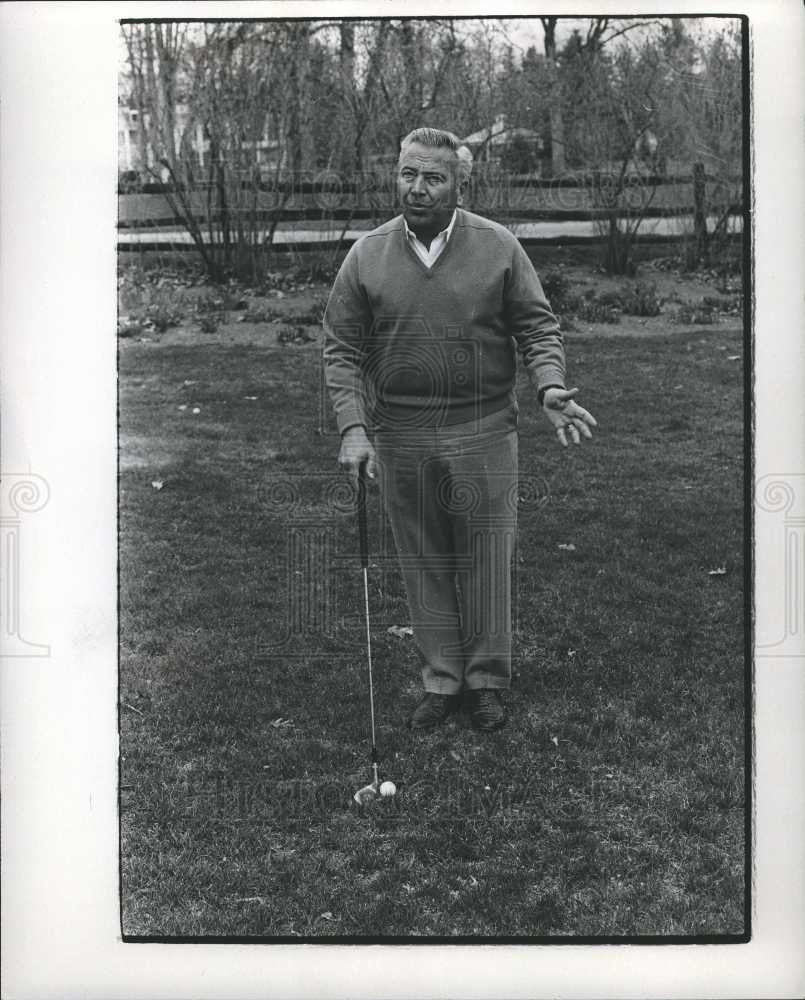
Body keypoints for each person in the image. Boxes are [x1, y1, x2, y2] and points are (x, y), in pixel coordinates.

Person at [323, 127, 596, 732]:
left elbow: (537, 326)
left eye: (433, 178)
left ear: (459, 186)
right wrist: (353, 427)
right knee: (423, 560)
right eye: (408, 175)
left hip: (484, 428)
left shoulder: (498, 246)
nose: (417, 189)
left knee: (485, 559)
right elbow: (341, 349)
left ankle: (487, 682)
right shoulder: (366, 254)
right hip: (401, 432)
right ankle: (442, 681)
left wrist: (549, 385)